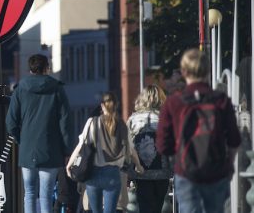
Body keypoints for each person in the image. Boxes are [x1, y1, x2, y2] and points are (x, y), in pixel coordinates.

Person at [156, 48, 241, 213]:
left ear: (184, 71)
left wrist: (180, 155)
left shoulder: (173, 103)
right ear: (207, 70)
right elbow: (234, 140)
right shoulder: (221, 100)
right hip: (216, 172)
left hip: (186, 173)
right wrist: (229, 164)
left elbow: (162, 145)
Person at [5, 54, 73, 213]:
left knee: (29, 193)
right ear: (46, 68)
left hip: (28, 149)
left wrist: (21, 139)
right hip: (51, 149)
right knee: (46, 193)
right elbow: (65, 121)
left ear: (30, 69)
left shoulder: (20, 89)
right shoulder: (57, 88)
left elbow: (10, 122)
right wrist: (66, 150)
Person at [66, 92, 143, 213]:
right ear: (116, 105)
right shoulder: (122, 125)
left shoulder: (92, 122)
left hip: (94, 174)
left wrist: (69, 165)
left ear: (102, 105)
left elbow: (81, 145)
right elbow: (132, 150)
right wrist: (139, 166)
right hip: (113, 174)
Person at [127, 85, 172, 213]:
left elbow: (127, 146)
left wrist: (128, 170)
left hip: (141, 172)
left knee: (145, 206)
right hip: (162, 172)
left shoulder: (132, 120)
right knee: (159, 206)